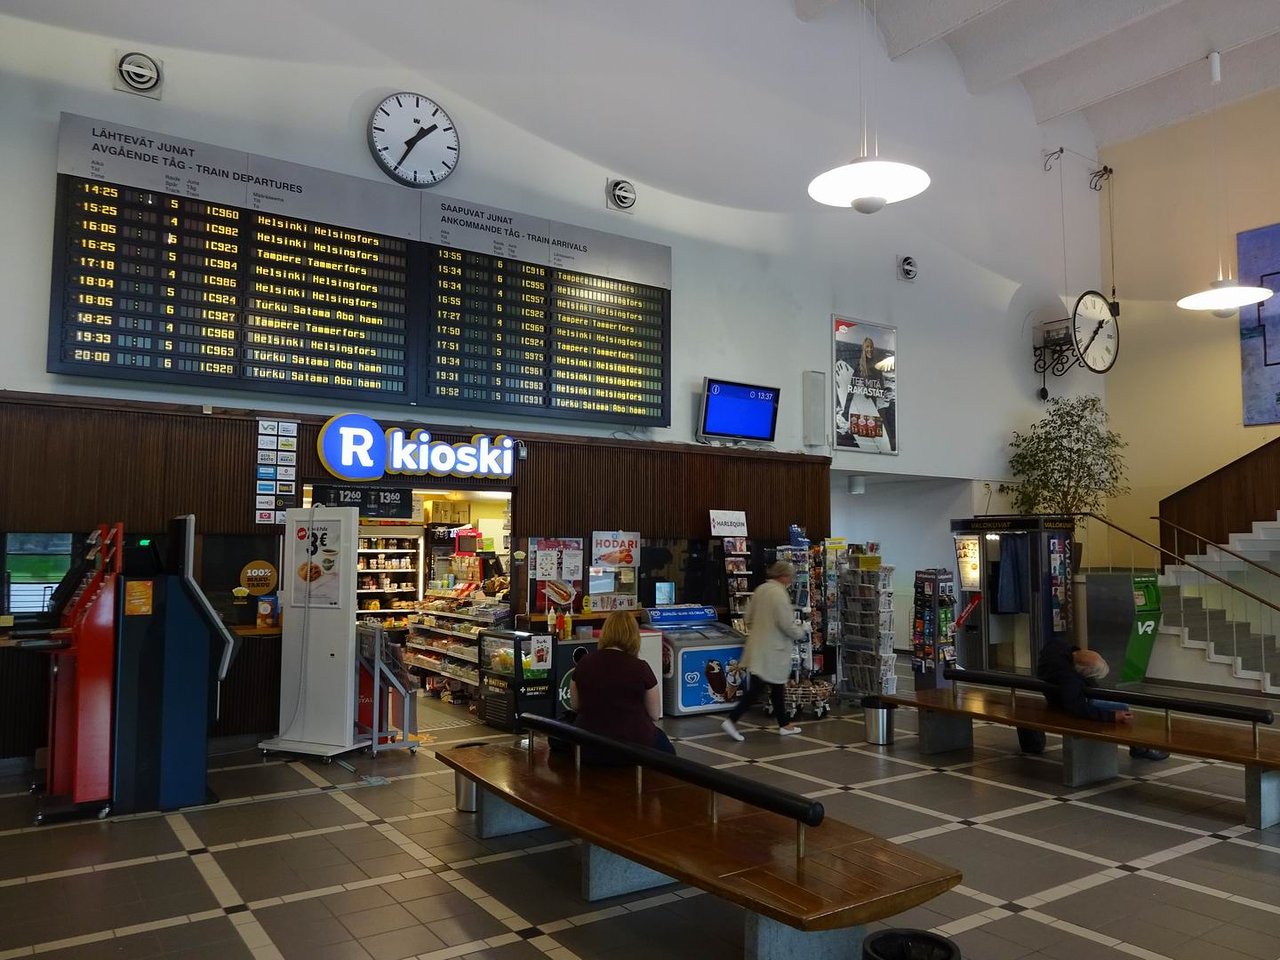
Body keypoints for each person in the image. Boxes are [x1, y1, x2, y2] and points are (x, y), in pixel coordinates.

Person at [1033, 639, 1169, 760]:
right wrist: (1112, 716)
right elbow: (1076, 706)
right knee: (1122, 708)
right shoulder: (1070, 680)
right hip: (1061, 704)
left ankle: (1138, 747)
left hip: (1054, 695)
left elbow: (1057, 645)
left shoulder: (1055, 649)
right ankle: (1138, 749)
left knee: (1104, 698)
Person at [570, 611, 674, 761]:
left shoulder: (584, 663)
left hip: (588, 745)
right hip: (634, 745)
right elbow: (654, 714)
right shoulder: (641, 668)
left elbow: (575, 705)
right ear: (633, 636)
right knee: (667, 749)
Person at [722, 560, 805, 740]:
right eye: (789, 576)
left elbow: (748, 618)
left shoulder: (761, 590)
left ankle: (784, 724)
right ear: (784, 576)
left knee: (775, 687)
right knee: (760, 688)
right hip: (773, 651)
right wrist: (802, 631)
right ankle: (732, 719)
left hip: (758, 647)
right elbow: (786, 625)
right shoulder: (779, 594)